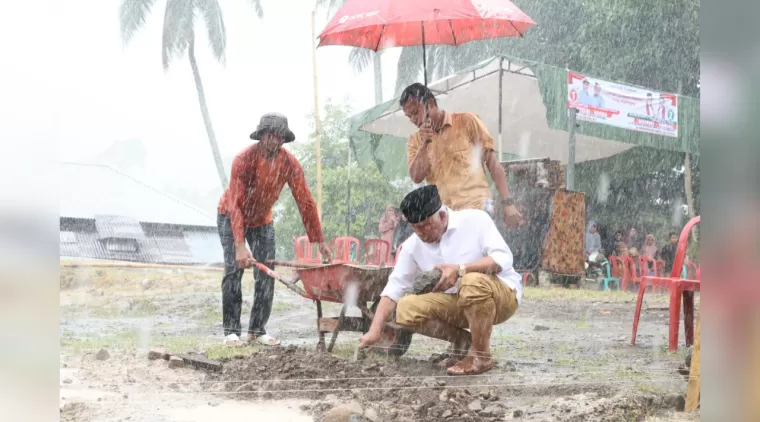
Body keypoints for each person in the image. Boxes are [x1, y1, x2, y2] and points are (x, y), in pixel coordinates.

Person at [358, 185, 522, 376]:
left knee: (471, 282)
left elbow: (503, 260)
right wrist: (375, 330)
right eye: (416, 228)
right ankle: (464, 342)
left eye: (426, 226)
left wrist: (460, 269)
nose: (421, 233)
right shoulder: (412, 246)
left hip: (501, 296)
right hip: (458, 304)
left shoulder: (475, 220)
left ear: (442, 216)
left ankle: (481, 356)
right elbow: (393, 288)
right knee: (406, 307)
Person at [217, 113, 332, 346]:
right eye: (269, 135)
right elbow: (236, 203)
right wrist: (239, 244)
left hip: (262, 221)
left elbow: (306, 202)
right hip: (231, 215)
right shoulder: (243, 160)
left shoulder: (289, 163)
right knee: (233, 270)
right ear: (261, 136)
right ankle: (231, 331)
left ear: (283, 139)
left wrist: (318, 240)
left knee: (266, 272)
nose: (273, 141)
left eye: (278, 137)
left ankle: (257, 330)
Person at [401, 83, 522, 228]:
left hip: (478, 209)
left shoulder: (467, 121)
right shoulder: (415, 140)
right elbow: (416, 177)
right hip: (446, 219)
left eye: (415, 113)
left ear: (430, 103)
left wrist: (508, 203)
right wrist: (424, 145)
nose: (413, 120)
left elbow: (493, 164)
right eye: (409, 117)